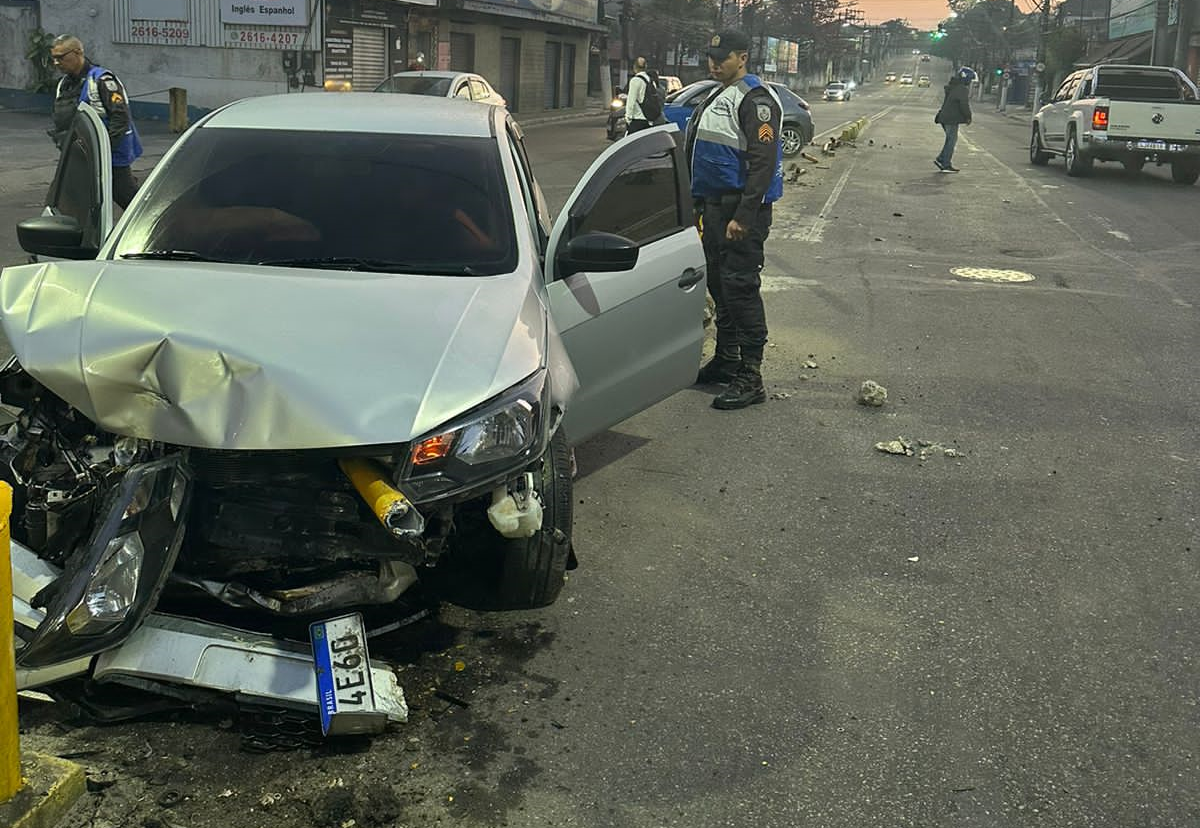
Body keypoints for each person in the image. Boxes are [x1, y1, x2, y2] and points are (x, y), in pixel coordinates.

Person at [684, 29, 783, 410]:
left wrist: (744, 215)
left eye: (722, 57)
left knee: (740, 288)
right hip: (713, 206)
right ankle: (727, 360)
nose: (714, 62)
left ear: (742, 57)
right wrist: (695, 205)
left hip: (740, 212)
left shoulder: (756, 100)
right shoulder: (717, 94)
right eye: (711, 56)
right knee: (720, 285)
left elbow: (763, 162)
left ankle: (751, 376)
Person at [49, 34, 143, 208]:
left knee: (127, 199)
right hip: (79, 155)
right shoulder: (64, 84)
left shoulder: (102, 80)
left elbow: (120, 117)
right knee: (67, 199)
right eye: (54, 58)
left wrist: (103, 150)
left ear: (77, 52)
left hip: (111, 157)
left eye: (60, 57)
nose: (56, 63)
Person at [934, 67, 975, 173]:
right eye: (970, 80)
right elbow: (964, 104)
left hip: (946, 117)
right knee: (951, 141)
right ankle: (945, 164)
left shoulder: (954, 86)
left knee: (949, 140)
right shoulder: (961, 89)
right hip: (951, 118)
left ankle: (941, 159)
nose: (970, 82)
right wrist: (968, 117)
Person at [624, 57, 652, 134]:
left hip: (637, 119)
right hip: (649, 119)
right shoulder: (650, 80)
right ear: (646, 67)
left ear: (634, 67)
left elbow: (631, 101)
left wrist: (628, 118)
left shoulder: (635, 80)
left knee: (632, 144)